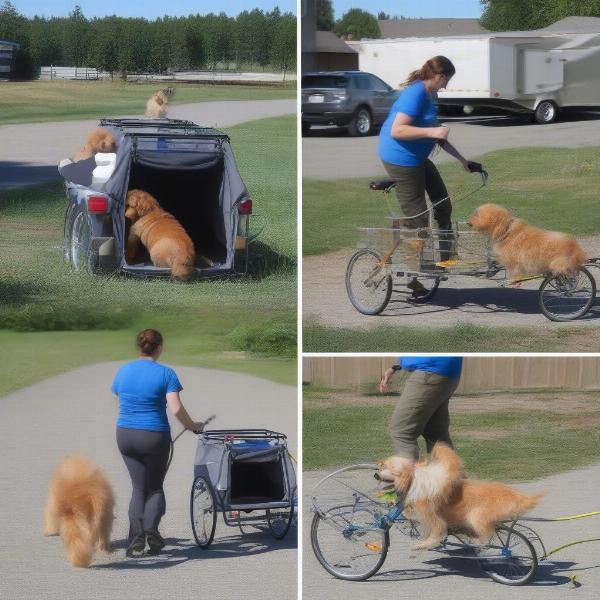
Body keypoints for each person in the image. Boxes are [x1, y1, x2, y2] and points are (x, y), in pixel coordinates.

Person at [378, 56, 482, 293]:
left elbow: (437, 136)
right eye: (447, 80)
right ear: (440, 76)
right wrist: (433, 130)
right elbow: (397, 130)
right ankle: (413, 277)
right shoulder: (414, 94)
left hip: (417, 158)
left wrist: (462, 161)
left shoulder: (430, 95)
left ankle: (445, 259)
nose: (446, 86)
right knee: (418, 222)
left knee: (443, 203)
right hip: (400, 160)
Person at [111, 329, 205, 557]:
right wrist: (193, 425)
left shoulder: (123, 371)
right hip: (153, 436)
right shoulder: (166, 374)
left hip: (124, 434)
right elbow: (176, 409)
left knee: (137, 487)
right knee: (154, 488)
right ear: (160, 347)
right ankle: (151, 532)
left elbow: (120, 397)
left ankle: (135, 538)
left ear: (138, 347)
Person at [379, 356, 463, 460]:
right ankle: (452, 475)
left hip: (430, 371)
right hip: (446, 371)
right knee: (435, 433)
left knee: (401, 431)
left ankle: (406, 475)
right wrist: (395, 367)